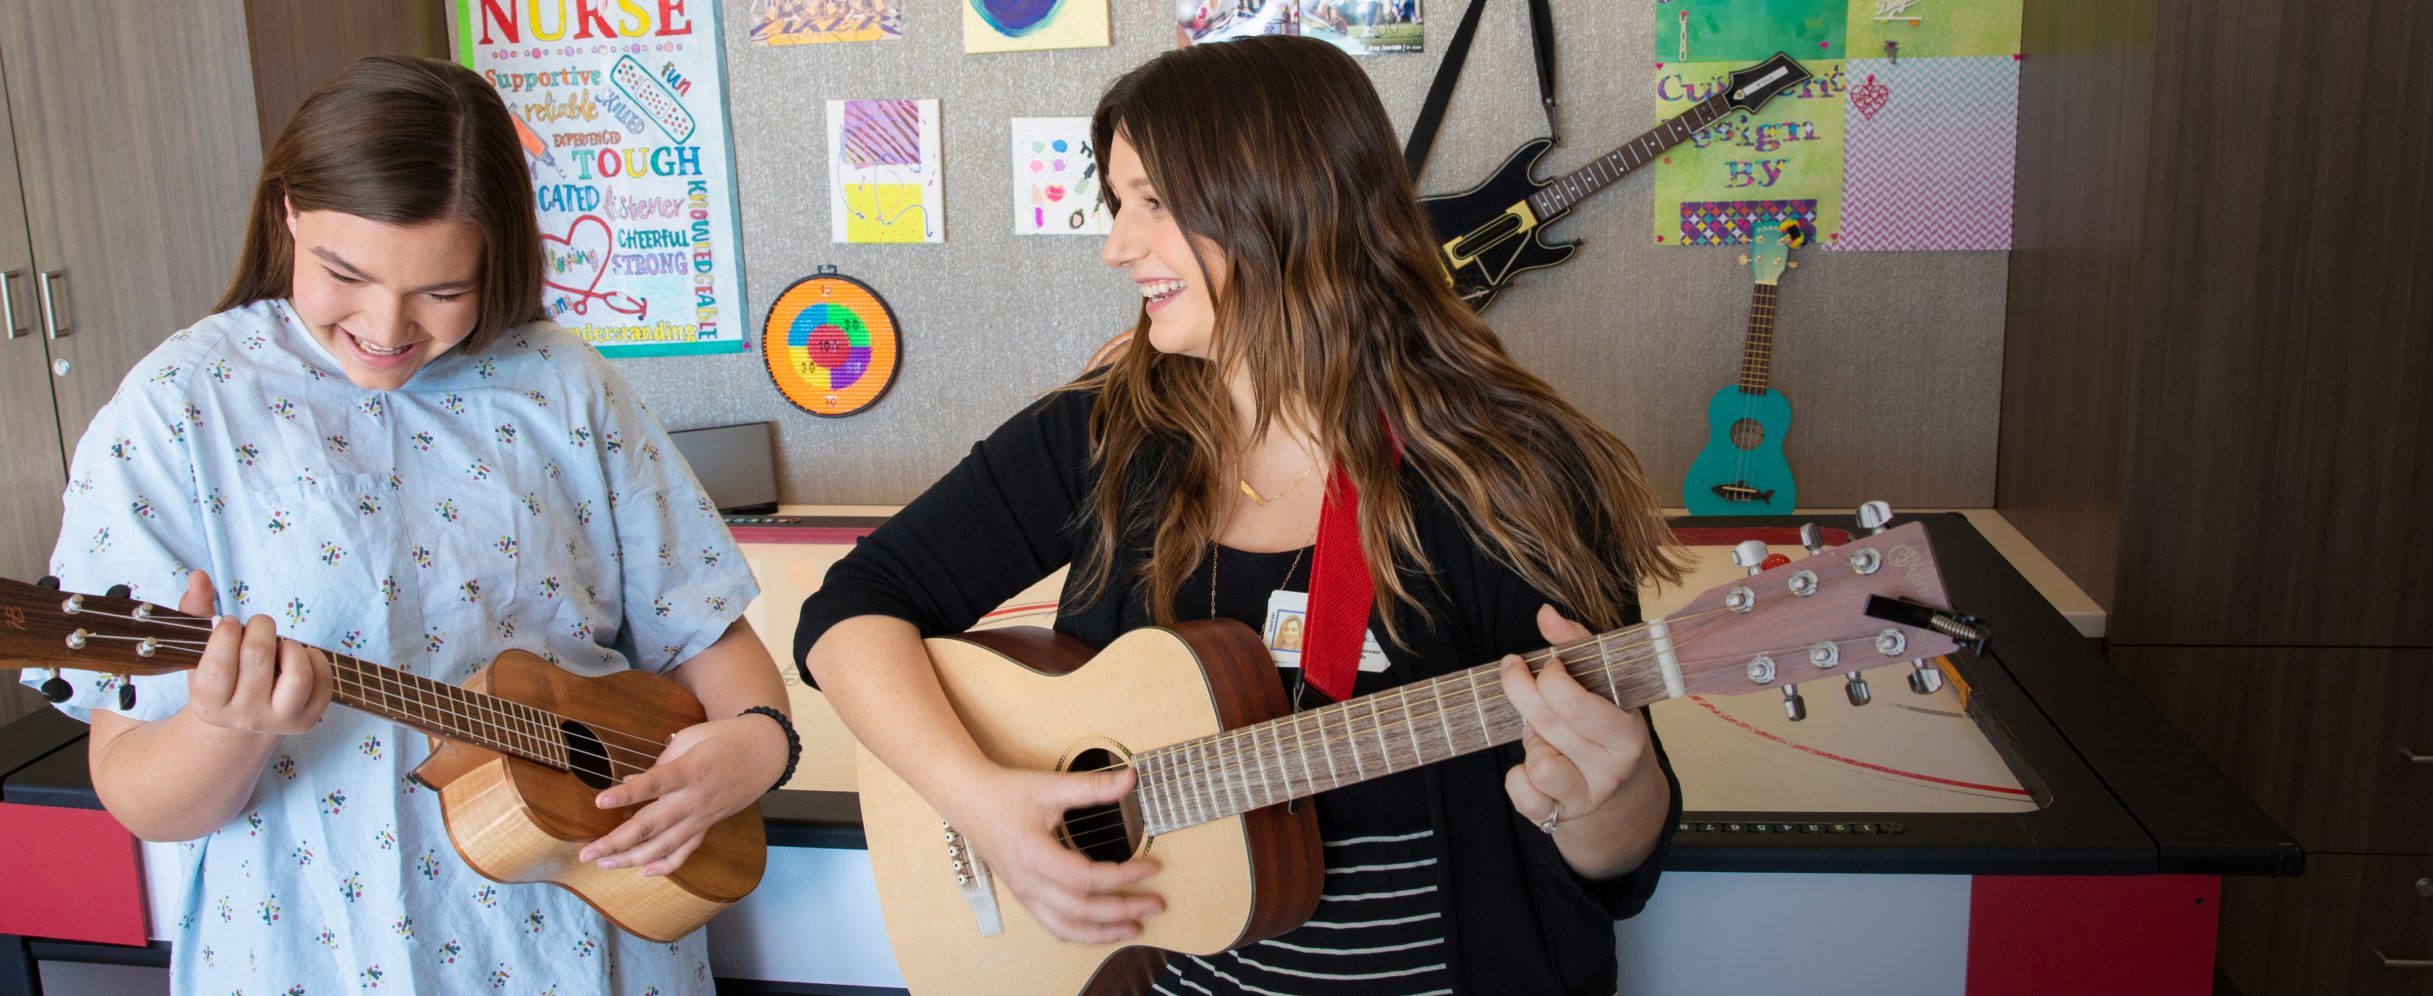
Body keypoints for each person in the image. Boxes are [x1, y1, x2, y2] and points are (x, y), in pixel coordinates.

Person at [796, 35, 1684, 995]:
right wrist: (981, 802)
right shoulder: (1102, 435)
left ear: (1281, 201)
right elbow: (849, 611)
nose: (1117, 246)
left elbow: (1616, 864)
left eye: (1155, 203)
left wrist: (1611, 794)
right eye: (1119, 203)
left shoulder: (1513, 468)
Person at [23, 56, 791, 995]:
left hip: (594, 930)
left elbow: (709, 635)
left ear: (496, 259)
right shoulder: (181, 406)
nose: (386, 326)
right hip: (317, 949)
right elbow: (140, 792)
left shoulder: (563, 381)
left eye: (442, 291)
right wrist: (225, 728)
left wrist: (756, 746)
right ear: (287, 215)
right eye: (344, 273)